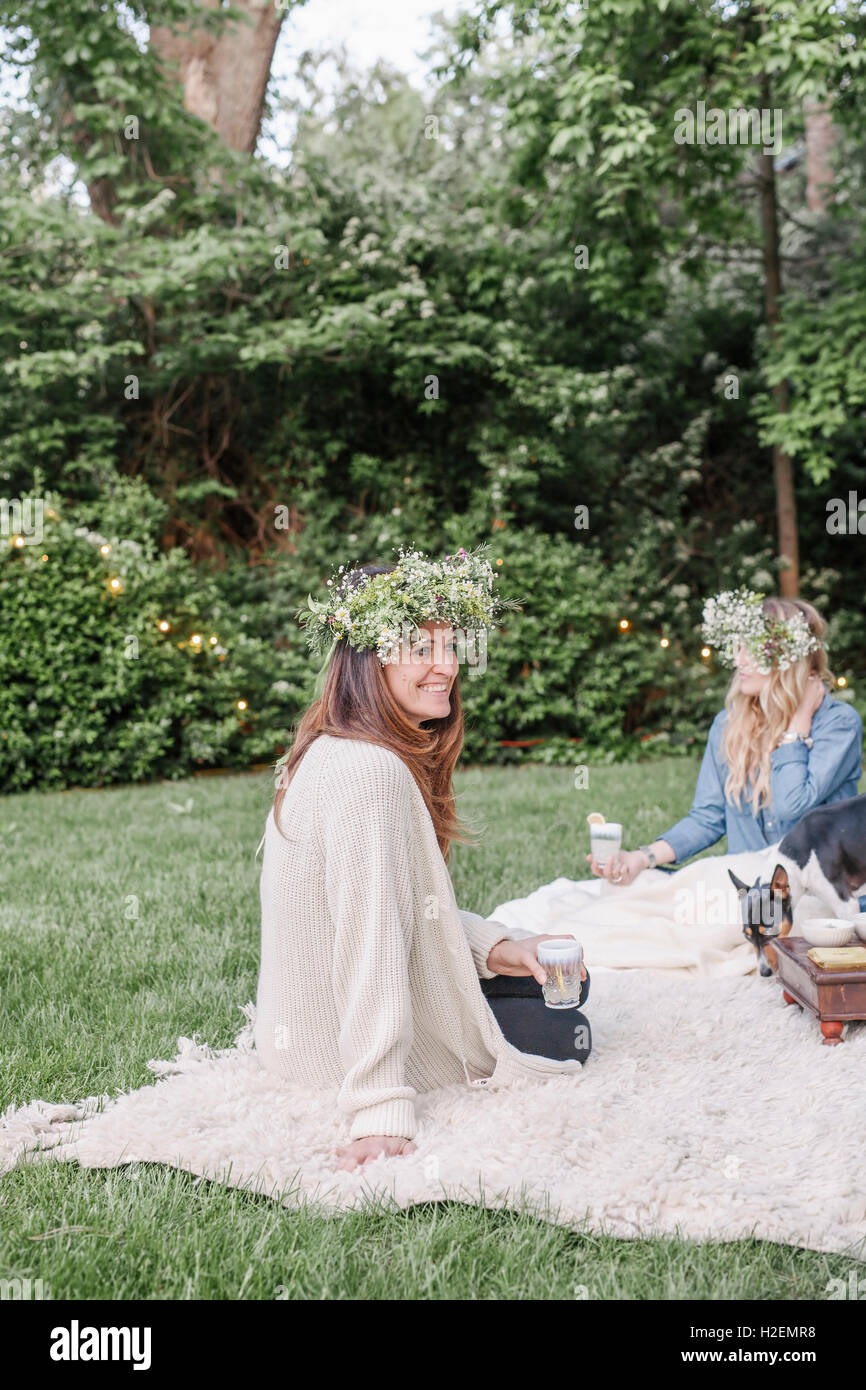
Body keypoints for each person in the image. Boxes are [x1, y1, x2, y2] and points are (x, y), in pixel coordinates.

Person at [254, 546, 591, 1174]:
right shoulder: (369, 773)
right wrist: (380, 1107)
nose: (447, 666)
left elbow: (400, 906)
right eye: (422, 648)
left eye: (451, 645)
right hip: (331, 1054)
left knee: (553, 976)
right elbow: (369, 938)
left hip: (302, 1039)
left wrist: (495, 948)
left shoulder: (334, 750)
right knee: (564, 1032)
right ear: (369, 659)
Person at [588, 591, 863, 900]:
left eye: (752, 650)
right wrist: (641, 858)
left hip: (815, 894)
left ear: (788, 660)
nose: (739, 660)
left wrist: (797, 727)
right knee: (624, 893)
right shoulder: (729, 724)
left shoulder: (838, 724)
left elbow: (790, 803)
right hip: (743, 885)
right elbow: (707, 818)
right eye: (738, 647)